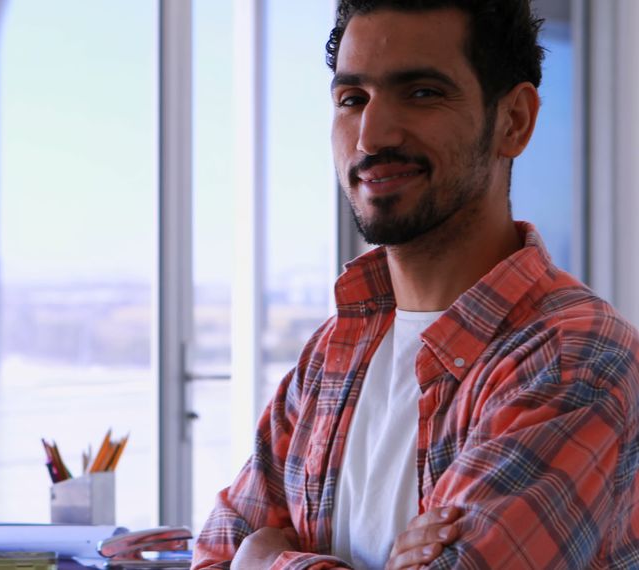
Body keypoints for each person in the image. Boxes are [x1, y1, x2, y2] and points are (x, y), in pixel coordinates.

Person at [192, 1, 639, 568]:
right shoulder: (333, 354)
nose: (372, 136)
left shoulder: (575, 359)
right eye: (352, 99)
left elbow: (239, 554)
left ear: (515, 121)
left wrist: (262, 560)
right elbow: (212, 553)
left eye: (422, 92)